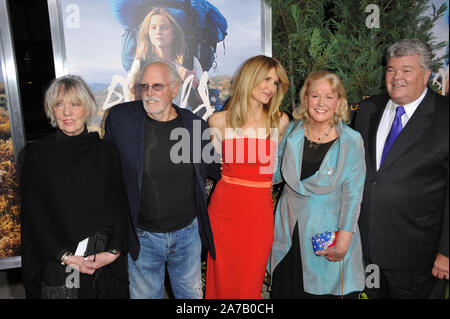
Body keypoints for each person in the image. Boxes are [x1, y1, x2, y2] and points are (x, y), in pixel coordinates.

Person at [104, 60, 220, 299]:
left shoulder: (194, 125)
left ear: (174, 89)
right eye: (143, 86)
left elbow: (214, 169)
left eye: (157, 86)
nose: (148, 93)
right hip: (143, 236)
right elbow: (104, 172)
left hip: (188, 235)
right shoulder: (121, 120)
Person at [354, 38, 449, 299]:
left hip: (419, 256)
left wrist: (447, 251)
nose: (397, 77)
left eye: (406, 70)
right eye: (391, 69)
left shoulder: (445, 115)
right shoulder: (367, 109)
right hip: (367, 249)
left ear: (426, 74)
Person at [20, 75, 130, 299]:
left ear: (87, 108)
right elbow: (33, 216)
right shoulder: (36, 156)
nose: (67, 112)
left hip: (103, 261)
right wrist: (66, 257)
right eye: (59, 104)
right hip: (59, 265)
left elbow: (120, 205)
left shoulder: (106, 152)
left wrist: (113, 251)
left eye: (75, 104)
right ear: (51, 110)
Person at [269, 71, 366, 299]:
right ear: (305, 99)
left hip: (327, 233)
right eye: (315, 96)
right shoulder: (290, 132)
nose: (321, 103)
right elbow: (272, 174)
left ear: (339, 102)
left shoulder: (351, 141)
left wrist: (343, 242)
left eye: (329, 97)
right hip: (288, 230)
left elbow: (352, 196)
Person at [205, 55, 290, 298]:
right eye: (266, 79)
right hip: (223, 213)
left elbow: (275, 167)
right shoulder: (218, 122)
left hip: (258, 214)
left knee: (249, 284)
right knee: (221, 281)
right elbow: (216, 165)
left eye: (275, 83)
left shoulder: (280, 121)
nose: (271, 88)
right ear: (249, 79)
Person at [127, 7, 202, 110]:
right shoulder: (141, 63)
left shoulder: (190, 62)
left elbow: (203, 100)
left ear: (174, 34)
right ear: (148, 34)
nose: (158, 32)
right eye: (153, 27)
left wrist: (195, 84)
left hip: (184, 122)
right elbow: (131, 100)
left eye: (164, 27)